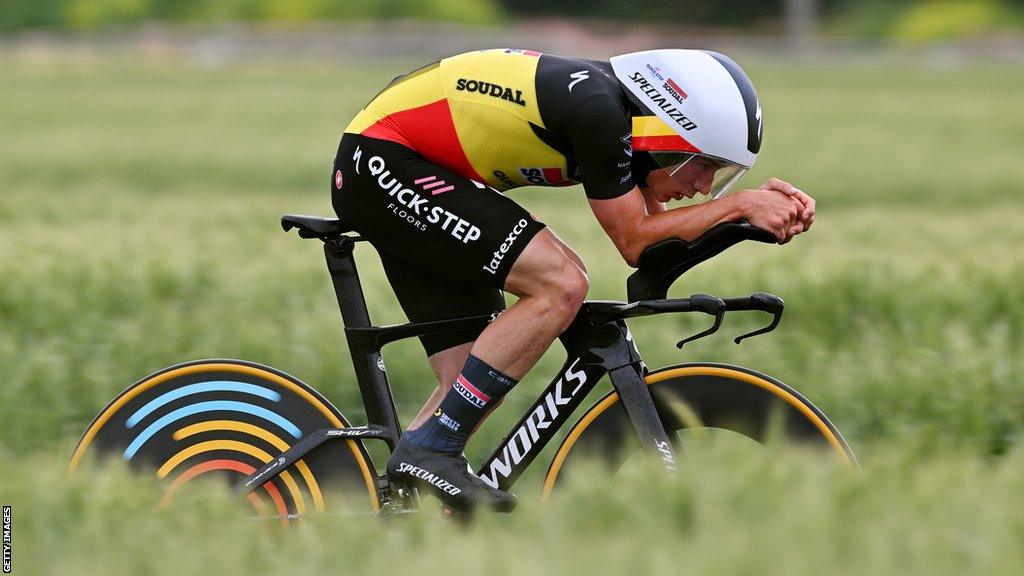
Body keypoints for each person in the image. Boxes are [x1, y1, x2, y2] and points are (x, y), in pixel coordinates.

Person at [330, 48, 815, 512]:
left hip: (410, 165)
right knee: (561, 283)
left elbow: (658, 249)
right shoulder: (599, 114)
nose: (705, 187)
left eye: (722, 174)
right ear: (669, 132)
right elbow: (636, 241)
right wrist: (740, 205)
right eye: (706, 163)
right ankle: (429, 451)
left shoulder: (620, 117)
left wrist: (744, 223)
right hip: (382, 159)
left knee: (470, 379)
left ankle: (401, 513)